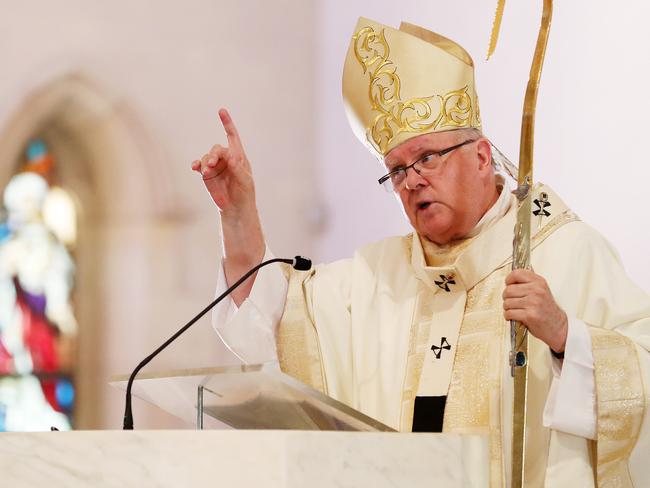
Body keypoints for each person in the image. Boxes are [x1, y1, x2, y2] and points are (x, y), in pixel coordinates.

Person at [192, 17, 650, 487]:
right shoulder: (377, 277)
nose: (412, 180)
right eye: (395, 170)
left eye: (427, 157)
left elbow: (643, 380)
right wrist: (237, 212)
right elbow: (267, 317)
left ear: (481, 155)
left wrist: (562, 335)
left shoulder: (562, 250)